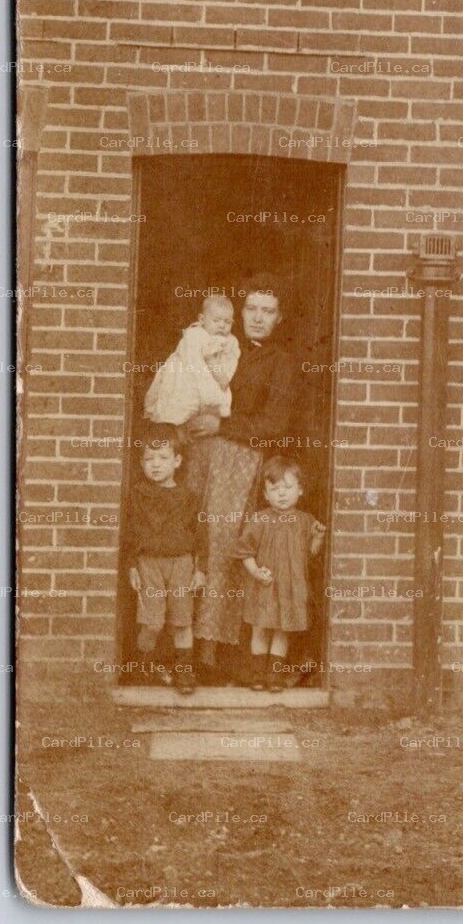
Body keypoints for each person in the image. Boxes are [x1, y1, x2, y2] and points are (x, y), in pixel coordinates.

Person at [187, 276, 303, 679]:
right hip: (201, 458)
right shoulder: (222, 347)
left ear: (279, 318)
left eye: (267, 311)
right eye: (251, 309)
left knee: (228, 549)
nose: (257, 317)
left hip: (240, 463)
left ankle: (217, 656)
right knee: (193, 541)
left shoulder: (282, 362)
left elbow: (275, 424)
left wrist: (221, 425)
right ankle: (179, 650)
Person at [126, 421, 204, 696]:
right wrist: (132, 566)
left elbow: (200, 534)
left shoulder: (189, 497)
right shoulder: (137, 495)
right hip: (149, 564)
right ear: (141, 462)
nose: (156, 465)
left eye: (163, 458)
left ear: (177, 461)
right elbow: (130, 534)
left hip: (182, 562)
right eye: (149, 459)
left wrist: (200, 569)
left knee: (182, 620)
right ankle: (144, 667)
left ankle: (184, 671)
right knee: (152, 622)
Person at [235, 456, 325, 692]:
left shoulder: (305, 521)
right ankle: (257, 674)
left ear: (300, 490)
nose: (282, 494)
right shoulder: (259, 519)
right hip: (264, 584)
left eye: (288, 487)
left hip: (290, 587)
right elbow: (245, 552)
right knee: (260, 628)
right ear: (266, 495)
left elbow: (310, 555)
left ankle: (274, 676)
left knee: (282, 629)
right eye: (274, 489)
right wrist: (255, 571)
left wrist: (317, 538)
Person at [144, 292, 240, 428]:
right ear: (202, 319)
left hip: (211, 381)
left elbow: (229, 366)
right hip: (187, 380)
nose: (222, 325)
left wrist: (221, 373)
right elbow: (192, 362)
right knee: (181, 404)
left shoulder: (229, 341)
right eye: (217, 320)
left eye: (227, 322)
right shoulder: (195, 336)